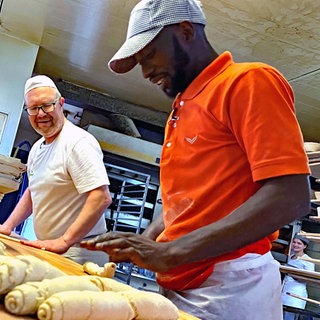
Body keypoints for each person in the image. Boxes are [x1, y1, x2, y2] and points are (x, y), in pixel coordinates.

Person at [80, 0, 311, 318]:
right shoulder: (183, 106)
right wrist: (145, 242)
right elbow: (192, 203)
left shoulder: (246, 82)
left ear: (185, 30)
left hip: (230, 288)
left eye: (148, 55)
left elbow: (291, 197)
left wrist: (171, 252)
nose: (145, 72)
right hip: (183, 286)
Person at [0, 75, 112, 265]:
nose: (41, 113)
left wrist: (64, 241)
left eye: (47, 105)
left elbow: (101, 197)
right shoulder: (37, 148)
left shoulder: (77, 142)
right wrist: (7, 226)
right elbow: (33, 191)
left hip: (80, 252)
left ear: (61, 104)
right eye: (34, 108)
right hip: (54, 248)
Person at [282, 234, 315, 320]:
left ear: (305, 246)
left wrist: (291, 272)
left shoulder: (308, 261)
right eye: (294, 242)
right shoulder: (290, 257)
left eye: (299, 243)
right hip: (284, 293)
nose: (295, 245)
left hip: (296, 296)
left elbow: (309, 279)